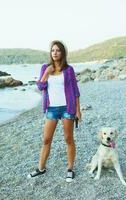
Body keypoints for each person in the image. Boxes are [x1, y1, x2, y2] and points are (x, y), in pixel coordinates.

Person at [27, 40, 82, 182]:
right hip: (51, 108)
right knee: (46, 140)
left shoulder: (68, 70)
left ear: (62, 53)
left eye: (58, 50)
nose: (55, 53)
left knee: (68, 139)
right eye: (52, 50)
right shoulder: (45, 67)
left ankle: (70, 169)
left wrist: (78, 110)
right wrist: (46, 73)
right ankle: (41, 168)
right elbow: (40, 86)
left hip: (67, 108)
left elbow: (75, 91)